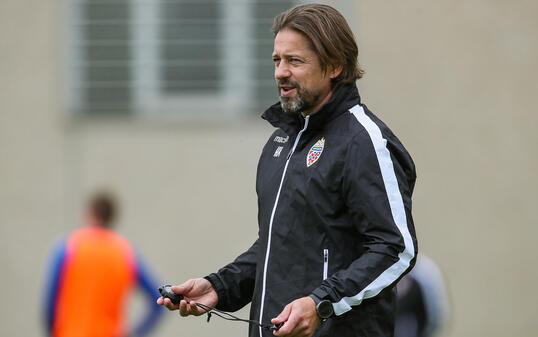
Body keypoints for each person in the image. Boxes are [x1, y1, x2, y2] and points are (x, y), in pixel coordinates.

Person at [158, 4, 418, 337]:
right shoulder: (281, 142)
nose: (281, 72)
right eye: (276, 61)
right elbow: (278, 247)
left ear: (335, 65)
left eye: (294, 61)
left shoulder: (364, 142)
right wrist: (219, 287)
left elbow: (395, 248)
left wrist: (321, 303)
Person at [43, 192, 163, 337]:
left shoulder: (67, 247)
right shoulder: (126, 253)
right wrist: (136, 333)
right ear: (111, 217)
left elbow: (50, 304)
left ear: (89, 213)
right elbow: (158, 300)